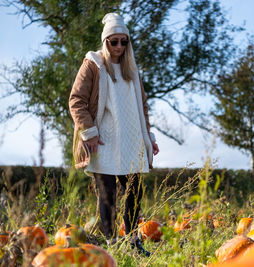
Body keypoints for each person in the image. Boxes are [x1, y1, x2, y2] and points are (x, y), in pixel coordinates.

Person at [69, 12, 159, 256]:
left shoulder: (132, 70)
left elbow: (142, 107)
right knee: (107, 194)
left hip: (131, 140)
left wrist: (149, 137)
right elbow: (76, 100)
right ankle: (111, 245)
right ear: (105, 41)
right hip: (104, 141)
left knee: (135, 192)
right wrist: (89, 133)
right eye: (114, 41)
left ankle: (131, 240)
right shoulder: (94, 64)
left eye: (124, 41)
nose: (119, 46)